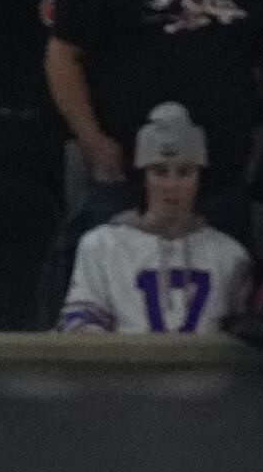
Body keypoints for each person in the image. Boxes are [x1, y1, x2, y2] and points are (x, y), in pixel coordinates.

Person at [54, 103, 249, 338]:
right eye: (160, 171)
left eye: (185, 172)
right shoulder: (101, 246)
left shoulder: (230, 256)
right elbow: (78, 323)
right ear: (144, 176)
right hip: (125, 374)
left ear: (199, 178)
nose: (171, 185)